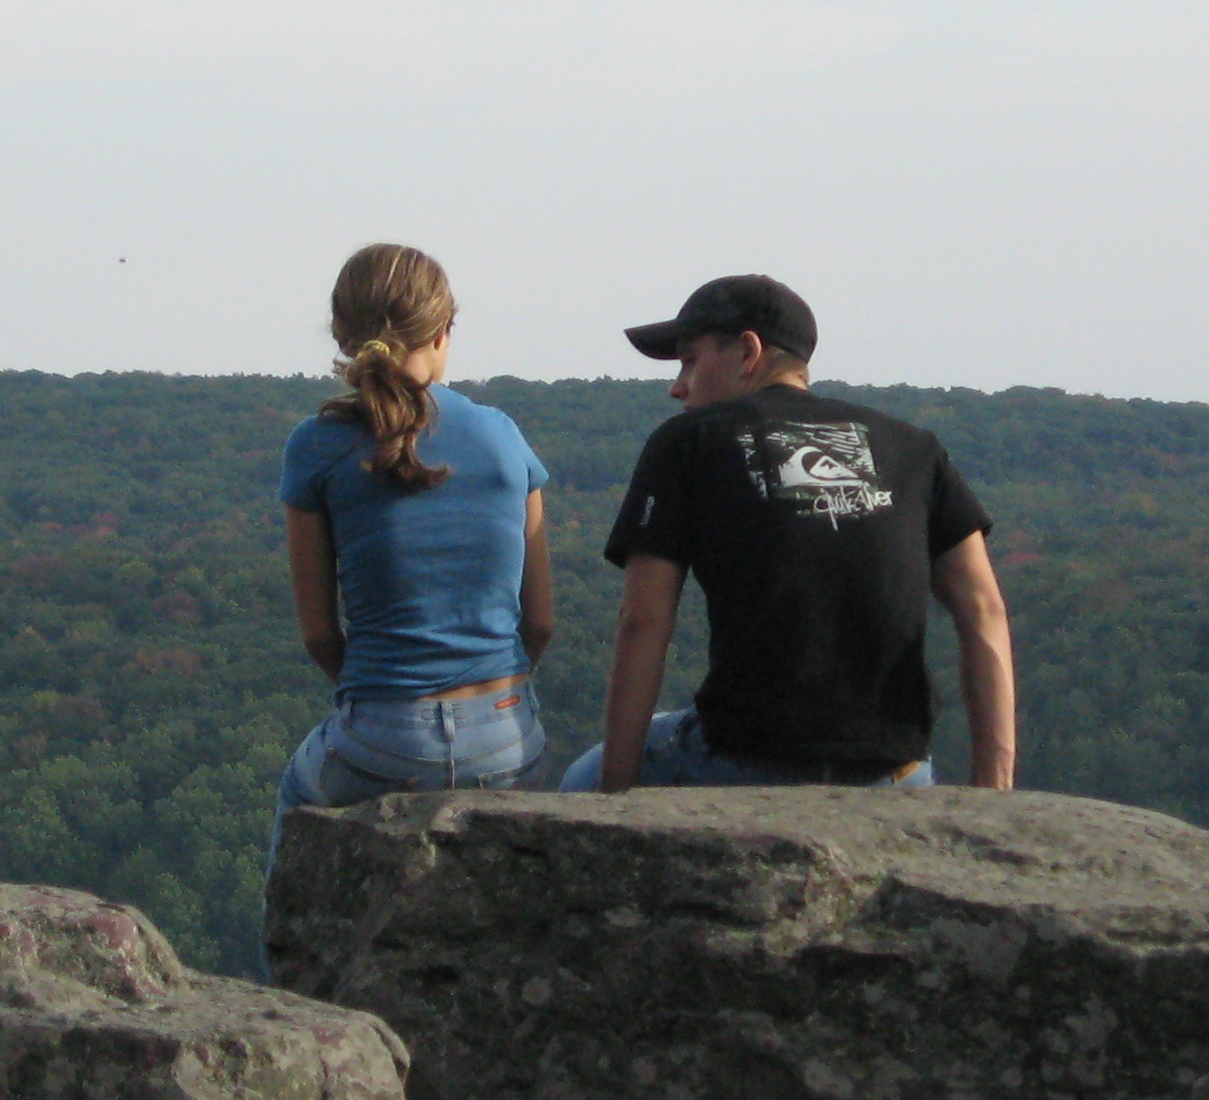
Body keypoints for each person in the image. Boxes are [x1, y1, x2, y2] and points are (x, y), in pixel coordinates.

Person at [560, 273, 1015, 794]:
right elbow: (984, 610)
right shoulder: (912, 446)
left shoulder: (688, 440)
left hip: (747, 759)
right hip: (894, 772)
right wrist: (993, 795)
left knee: (581, 778)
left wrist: (613, 800)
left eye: (689, 361)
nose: (677, 387)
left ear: (748, 352)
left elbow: (643, 620)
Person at [274, 244, 560, 830]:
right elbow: (540, 624)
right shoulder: (503, 437)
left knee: (297, 796)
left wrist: (392, 700)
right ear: (442, 330)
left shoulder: (315, 445)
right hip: (507, 734)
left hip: (383, 737)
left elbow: (320, 636)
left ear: (342, 335)